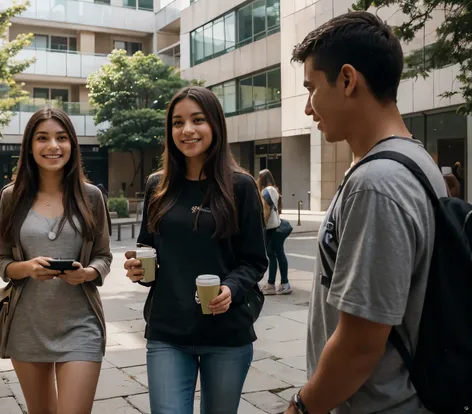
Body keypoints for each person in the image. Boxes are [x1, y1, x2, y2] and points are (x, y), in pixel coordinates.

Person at [285, 12, 447, 414]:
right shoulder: (417, 160)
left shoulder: (377, 182)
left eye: (311, 89)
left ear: (347, 79)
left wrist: (301, 407)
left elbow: (359, 345)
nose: (308, 108)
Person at [123, 86, 268, 414]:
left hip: (227, 332)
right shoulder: (156, 186)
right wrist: (140, 271)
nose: (186, 130)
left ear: (215, 125)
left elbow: (255, 260)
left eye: (197, 120)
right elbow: (148, 249)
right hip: (167, 330)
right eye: (177, 122)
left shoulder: (241, 186)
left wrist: (231, 288)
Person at [0, 108, 111, 414]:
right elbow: (1, 261)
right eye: (42, 138)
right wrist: (28, 268)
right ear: (30, 147)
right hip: (27, 325)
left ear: (72, 144)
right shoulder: (11, 197)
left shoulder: (92, 196)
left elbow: (104, 256)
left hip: (81, 324)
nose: (53, 146)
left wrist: (86, 273)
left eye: (61, 138)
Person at [257, 169, 291, 295]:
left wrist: (262, 224)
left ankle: (279, 283)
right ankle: (278, 283)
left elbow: (266, 209)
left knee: (274, 255)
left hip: (271, 228)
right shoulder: (274, 189)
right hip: (275, 227)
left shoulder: (266, 191)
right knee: (274, 255)